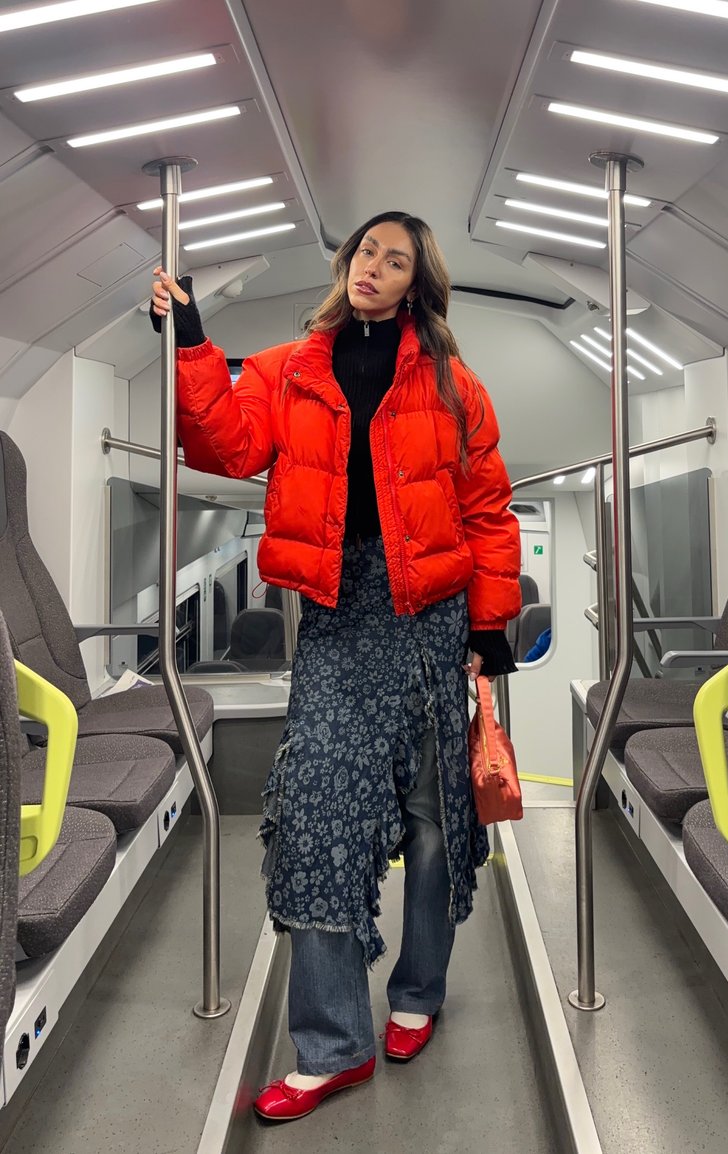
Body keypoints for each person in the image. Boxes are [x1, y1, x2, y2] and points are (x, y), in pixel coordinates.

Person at [150, 210, 521, 1122]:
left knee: (435, 823)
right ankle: (333, 1043)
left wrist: (492, 624)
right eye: (366, 252)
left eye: (396, 261)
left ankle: (418, 992)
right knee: (316, 815)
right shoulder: (288, 368)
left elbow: (487, 506)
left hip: (431, 619)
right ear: (347, 262)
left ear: (416, 284)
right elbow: (225, 446)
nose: (374, 268)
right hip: (336, 615)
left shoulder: (452, 383)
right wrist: (193, 341)